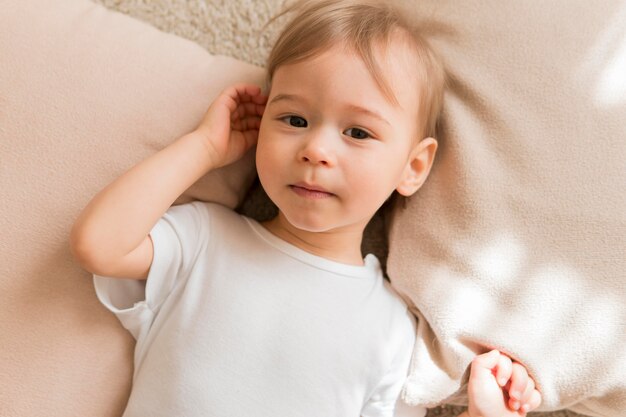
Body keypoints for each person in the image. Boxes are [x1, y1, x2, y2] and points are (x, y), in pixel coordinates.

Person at [70, 0, 541, 416]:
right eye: (294, 119)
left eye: (357, 132)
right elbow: (99, 245)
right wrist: (203, 148)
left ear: (412, 166)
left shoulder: (393, 331)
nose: (316, 149)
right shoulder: (204, 239)